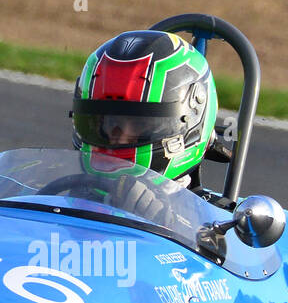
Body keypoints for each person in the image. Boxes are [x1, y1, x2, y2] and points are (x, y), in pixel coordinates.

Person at [69, 30, 219, 191]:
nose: (118, 137)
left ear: (191, 121)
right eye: (107, 122)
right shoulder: (66, 198)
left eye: (139, 124)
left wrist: (161, 213)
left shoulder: (206, 214)